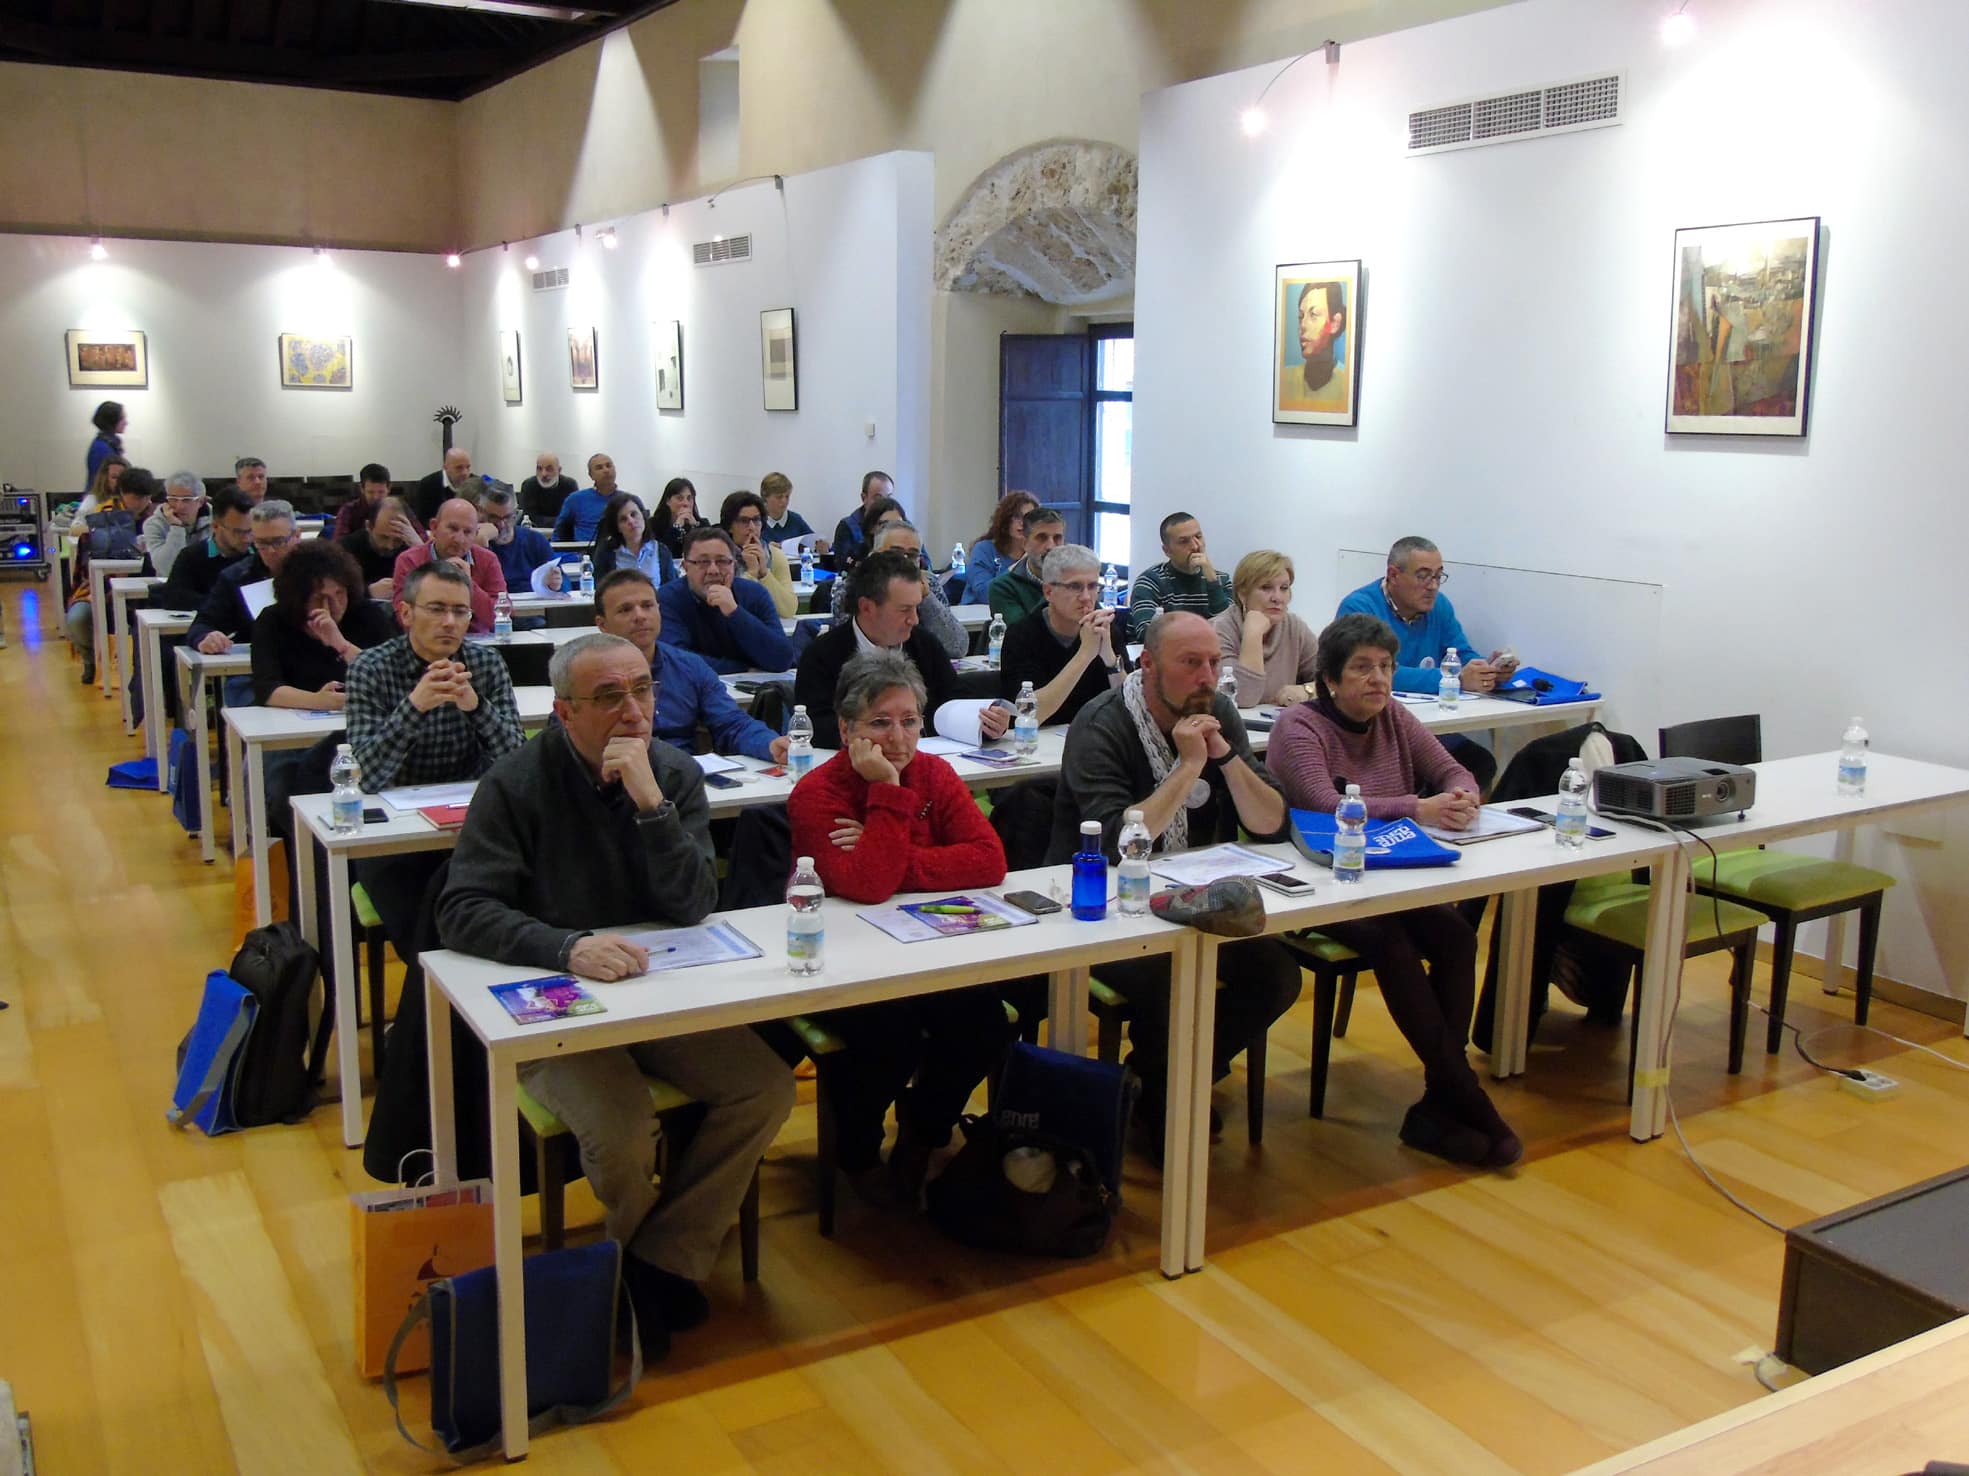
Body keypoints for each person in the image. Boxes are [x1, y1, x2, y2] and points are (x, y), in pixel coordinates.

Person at [436, 630, 794, 1358]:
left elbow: (693, 903)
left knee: (764, 1089)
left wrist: (651, 804)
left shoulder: (672, 773)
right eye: (608, 697)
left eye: (642, 690)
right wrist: (565, 947)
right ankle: (639, 1275)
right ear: (564, 711)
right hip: (555, 997)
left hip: (654, 991)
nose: (633, 711)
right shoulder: (516, 782)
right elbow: (463, 907)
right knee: (624, 1129)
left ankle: (654, 1264)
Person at [1263, 613, 1519, 1168]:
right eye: (1362, 668)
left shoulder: (1394, 715)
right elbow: (1323, 804)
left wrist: (1463, 797)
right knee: (1391, 944)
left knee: (1457, 938)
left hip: (1396, 869)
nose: (1377, 679)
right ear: (1330, 679)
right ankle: (1464, 1094)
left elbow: (1453, 769)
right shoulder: (1299, 727)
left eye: (1385, 666)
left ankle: (1439, 1101)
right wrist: (1417, 808)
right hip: (1321, 881)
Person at [1047, 611, 1301, 1139]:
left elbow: (1271, 823)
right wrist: (1187, 767)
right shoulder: (1102, 723)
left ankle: (1158, 1081)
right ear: (1148, 664)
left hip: (1194, 894)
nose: (1207, 677)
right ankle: (1166, 1096)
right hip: (1103, 905)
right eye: (1190, 663)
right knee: (1172, 982)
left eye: (1213, 662)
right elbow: (1119, 844)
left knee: (1276, 976)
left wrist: (1224, 756)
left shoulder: (1217, 710)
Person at [788, 650, 1016, 1204]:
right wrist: (888, 791)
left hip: (927, 950)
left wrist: (896, 857)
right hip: (843, 961)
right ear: (846, 729)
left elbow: (989, 860)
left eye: (910, 721)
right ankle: (857, 1149)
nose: (897, 738)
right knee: (889, 1039)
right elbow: (867, 885)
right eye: (879, 723)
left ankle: (926, 1129)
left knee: (984, 1023)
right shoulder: (817, 793)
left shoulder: (935, 773)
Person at [346, 561, 525, 947]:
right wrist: (415, 706)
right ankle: (429, 982)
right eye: (437, 609)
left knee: (507, 903)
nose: (449, 622)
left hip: (470, 826)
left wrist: (476, 707)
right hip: (394, 836)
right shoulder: (370, 668)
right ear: (406, 613)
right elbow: (366, 777)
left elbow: (518, 765)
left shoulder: (486, 664)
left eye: (460, 612)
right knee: (425, 926)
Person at [1336, 535, 1515, 790]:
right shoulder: (1359, 608)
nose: (1433, 586)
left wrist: (1486, 670)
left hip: (1429, 725)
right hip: (1377, 727)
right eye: (1423, 576)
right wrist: (1456, 679)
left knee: (1478, 763)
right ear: (1394, 575)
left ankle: (1448, 812)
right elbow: (1377, 674)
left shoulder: (1439, 606)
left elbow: (1461, 652)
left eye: (1438, 576)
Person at [795, 549, 1008, 748]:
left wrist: (985, 721)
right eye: (904, 610)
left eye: (916, 608)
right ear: (867, 607)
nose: (914, 620)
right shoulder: (822, 655)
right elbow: (817, 727)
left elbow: (953, 700)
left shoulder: (924, 645)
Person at [594, 568, 787, 763]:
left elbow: (732, 724)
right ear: (602, 624)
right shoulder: (587, 675)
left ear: (659, 610)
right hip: (613, 770)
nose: (640, 616)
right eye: (625, 610)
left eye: (647, 606)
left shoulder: (689, 666)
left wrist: (770, 744)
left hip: (682, 771)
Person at [249, 539, 394, 710]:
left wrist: (341, 645)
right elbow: (267, 688)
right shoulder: (272, 620)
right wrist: (318, 701)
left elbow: (390, 677)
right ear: (299, 598)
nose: (333, 605)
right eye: (320, 598)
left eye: (339, 594)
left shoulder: (368, 615)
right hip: (291, 717)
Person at [999, 542, 1129, 726]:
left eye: (1092, 586)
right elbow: (1028, 714)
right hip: (1041, 737)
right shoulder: (1022, 635)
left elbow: (1132, 709)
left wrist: (1109, 658)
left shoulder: (1105, 628)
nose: (1086, 597)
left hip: (1095, 733)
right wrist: (1085, 654)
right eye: (1075, 587)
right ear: (1048, 592)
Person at [658, 526, 795, 675]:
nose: (713, 570)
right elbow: (675, 660)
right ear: (685, 567)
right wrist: (742, 668)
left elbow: (782, 659)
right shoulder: (667, 598)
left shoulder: (755, 593)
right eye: (703, 562)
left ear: (734, 565)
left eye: (722, 561)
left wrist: (735, 612)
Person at [65, 466, 156, 682]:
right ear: (122, 493)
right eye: (136, 497)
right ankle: (91, 660)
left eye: (146, 497)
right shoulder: (102, 516)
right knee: (78, 618)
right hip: (100, 584)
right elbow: (88, 561)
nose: (142, 503)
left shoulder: (158, 517)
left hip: (148, 583)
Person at [829, 518, 968, 660]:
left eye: (912, 555)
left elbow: (957, 647)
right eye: (895, 553)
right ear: (874, 555)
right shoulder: (851, 586)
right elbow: (845, 645)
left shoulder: (930, 584)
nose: (904, 561)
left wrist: (926, 598)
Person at [189, 497, 301, 655]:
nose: (271, 551)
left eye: (278, 541)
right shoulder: (237, 577)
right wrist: (206, 637)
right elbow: (202, 625)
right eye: (262, 543)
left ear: (297, 535)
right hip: (257, 663)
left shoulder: (320, 571)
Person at [1212, 550, 1320, 706]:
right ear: (1243, 594)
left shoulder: (1294, 627)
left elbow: (1336, 682)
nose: (1277, 598)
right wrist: (1253, 635)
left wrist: (1308, 690)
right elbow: (1243, 698)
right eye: (1266, 587)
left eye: (1284, 588)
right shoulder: (1218, 630)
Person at [393, 498, 506, 635]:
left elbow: (501, 617)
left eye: (467, 532)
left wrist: (469, 585)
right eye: (453, 529)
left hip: (477, 641)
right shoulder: (410, 561)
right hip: (427, 640)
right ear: (434, 527)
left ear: (476, 534)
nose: (459, 539)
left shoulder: (488, 560)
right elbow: (404, 617)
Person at [1126, 511, 1233, 643]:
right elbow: (1147, 634)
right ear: (1167, 551)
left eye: (1198, 537)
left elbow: (1228, 632)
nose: (1195, 546)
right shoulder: (1151, 581)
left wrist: (1212, 582)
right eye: (1184, 541)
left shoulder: (1221, 580)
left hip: (1205, 652)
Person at [159, 487, 255, 612]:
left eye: (251, 530)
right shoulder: (191, 557)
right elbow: (174, 599)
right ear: (215, 526)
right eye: (238, 532)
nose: (247, 539)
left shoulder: (260, 554)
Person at [719, 490, 797, 617]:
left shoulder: (774, 555)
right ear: (730, 526)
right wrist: (751, 573)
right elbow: (729, 609)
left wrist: (764, 573)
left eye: (756, 520)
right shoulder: (718, 557)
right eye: (744, 521)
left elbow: (788, 610)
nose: (751, 527)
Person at [985, 507, 1066, 626]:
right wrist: (1054, 584)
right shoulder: (1002, 587)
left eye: (1057, 538)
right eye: (1042, 538)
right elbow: (1022, 632)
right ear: (1025, 543)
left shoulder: (1078, 581)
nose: (1051, 546)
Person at [478, 484, 562, 595]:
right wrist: (479, 543)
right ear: (480, 512)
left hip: (532, 604)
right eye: (493, 518)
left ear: (516, 513)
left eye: (508, 517)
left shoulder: (535, 540)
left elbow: (564, 582)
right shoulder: (473, 543)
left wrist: (556, 584)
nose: (501, 525)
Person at [961, 490, 1038, 605]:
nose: (1022, 523)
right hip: (978, 614)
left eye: (1028, 518)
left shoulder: (1039, 553)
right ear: (1005, 520)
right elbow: (985, 594)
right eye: (1017, 516)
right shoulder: (984, 549)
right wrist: (1021, 564)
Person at [341, 495, 424, 598]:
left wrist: (420, 548)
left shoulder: (411, 546)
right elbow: (337, 593)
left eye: (397, 540)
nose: (390, 546)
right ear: (368, 526)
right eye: (383, 538)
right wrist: (368, 592)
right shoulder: (346, 550)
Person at [1282, 278, 1349, 404]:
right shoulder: (1284, 379)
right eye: (1301, 316)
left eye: (1313, 314)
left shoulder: (1346, 383)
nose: (1302, 325)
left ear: (1335, 323)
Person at [589, 491, 675, 586]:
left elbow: (671, 589)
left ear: (643, 516)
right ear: (617, 527)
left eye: (634, 514)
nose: (631, 521)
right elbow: (600, 589)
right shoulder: (606, 553)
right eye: (623, 519)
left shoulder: (661, 551)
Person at [142, 470, 210, 580]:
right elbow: (167, 569)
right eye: (173, 499)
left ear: (201, 502)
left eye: (186, 500)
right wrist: (176, 528)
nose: (179, 506)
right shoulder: (153, 524)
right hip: (170, 585)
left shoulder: (217, 521)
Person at [553, 452, 623, 543]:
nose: (606, 470)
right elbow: (558, 534)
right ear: (591, 475)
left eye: (609, 466)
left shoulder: (628, 501)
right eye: (599, 468)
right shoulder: (575, 499)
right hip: (583, 549)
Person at [829, 470, 893, 565]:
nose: (885, 504)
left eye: (889, 498)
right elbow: (841, 566)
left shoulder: (899, 523)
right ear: (864, 498)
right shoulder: (848, 526)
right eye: (878, 498)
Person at [412, 446, 477, 525]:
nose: (465, 473)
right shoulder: (427, 484)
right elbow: (422, 519)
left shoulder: (476, 482)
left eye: (468, 467)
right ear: (446, 467)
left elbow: (489, 481)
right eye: (459, 468)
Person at [67, 453, 128, 534]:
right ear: (104, 479)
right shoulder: (93, 500)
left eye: (123, 477)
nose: (119, 481)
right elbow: (74, 530)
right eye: (114, 477)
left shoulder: (131, 499)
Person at [759, 471, 820, 550]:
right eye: (779, 497)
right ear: (765, 498)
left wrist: (820, 547)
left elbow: (814, 542)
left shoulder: (795, 519)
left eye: (787, 496)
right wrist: (765, 549)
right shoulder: (756, 522)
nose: (784, 501)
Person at [332, 463, 392, 540]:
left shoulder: (398, 511)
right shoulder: (348, 510)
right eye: (370, 492)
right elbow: (339, 543)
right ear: (362, 489)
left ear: (389, 489)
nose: (376, 497)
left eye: (381, 492)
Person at [521, 453, 579, 526]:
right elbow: (529, 517)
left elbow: (572, 516)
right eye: (539, 469)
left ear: (559, 470)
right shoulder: (528, 485)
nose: (544, 474)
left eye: (549, 469)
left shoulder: (570, 485)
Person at [650, 477, 700, 560]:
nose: (686, 503)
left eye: (689, 498)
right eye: (680, 498)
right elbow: (657, 554)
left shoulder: (702, 524)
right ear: (667, 501)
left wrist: (695, 528)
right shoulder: (654, 524)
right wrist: (676, 528)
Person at [85, 400, 124, 487]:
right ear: (112, 420)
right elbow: (102, 482)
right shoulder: (101, 448)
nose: (126, 423)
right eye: (122, 418)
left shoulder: (110, 444)